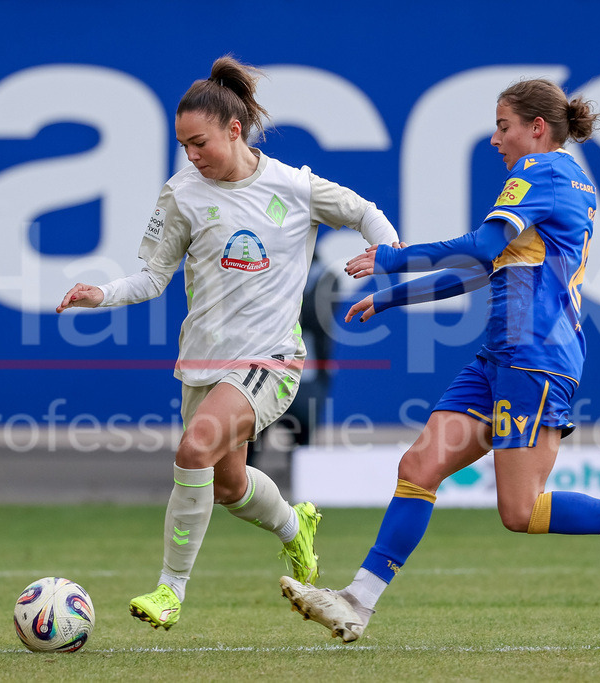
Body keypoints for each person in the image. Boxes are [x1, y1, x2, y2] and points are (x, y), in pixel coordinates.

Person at [278, 78, 600, 643]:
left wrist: (392, 258)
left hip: (535, 355)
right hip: (501, 355)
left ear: (537, 128)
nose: (494, 138)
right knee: (419, 468)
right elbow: (481, 269)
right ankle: (357, 601)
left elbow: (480, 247)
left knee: (520, 510)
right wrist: (391, 296)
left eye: (503, 125)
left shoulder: (542, 173)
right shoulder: (557, 181)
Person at [56, 55, 400, 632]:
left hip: (272, 359)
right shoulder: (182, 194)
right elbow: (153, 278)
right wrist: (102, 294)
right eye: (184, 146)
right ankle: (296, 526)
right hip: (204, 363)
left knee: (194, 450)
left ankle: (170, 591)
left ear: (235, 130)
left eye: (200, 143)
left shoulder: (294, 186)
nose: (192, 156)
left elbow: (367, 214)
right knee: (228, 484)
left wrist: (386, 258)